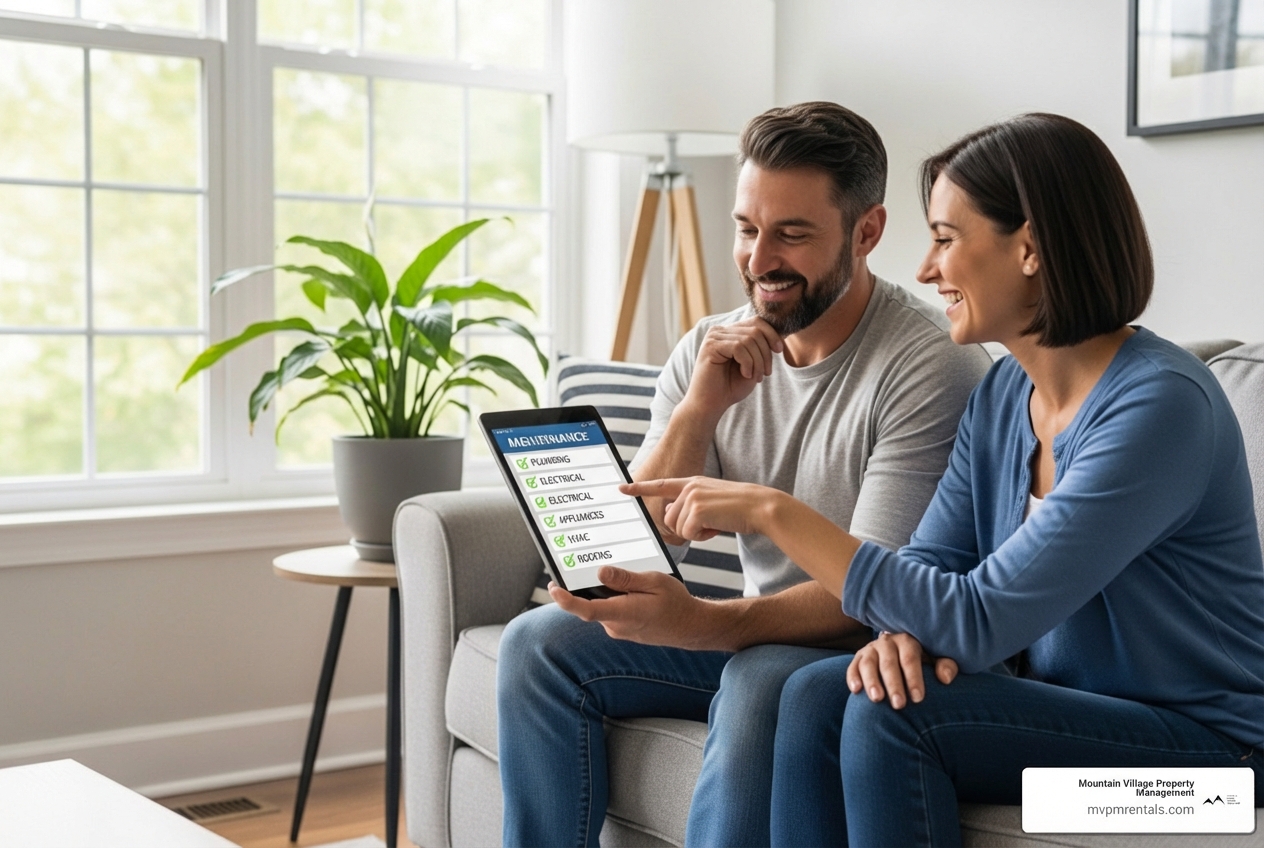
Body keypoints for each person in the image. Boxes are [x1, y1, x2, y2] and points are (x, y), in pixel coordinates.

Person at [625, 112, 1264, 847]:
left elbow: (980, 619)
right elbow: (930, 563)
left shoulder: (1160, 406)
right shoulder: (1001, 397)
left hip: (1209, 778)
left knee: (893, 715)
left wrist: (775, 513)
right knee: (814, 692)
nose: (926, 270)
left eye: (945, 239)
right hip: (1059, 720)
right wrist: (901, 636)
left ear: (1029, 248)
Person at [496, 102, 992, 847]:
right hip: (762, 631)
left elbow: (873, 588)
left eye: (792, 234)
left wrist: (707, 625)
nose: (760, 260)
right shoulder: (714, 346)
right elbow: (625, 555)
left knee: (761, 680)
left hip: (860, 645)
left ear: (867, 232)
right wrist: (701, 408)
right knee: (538, 646)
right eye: (747, 228)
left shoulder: (928, 364)